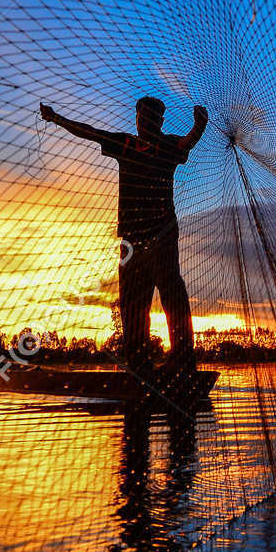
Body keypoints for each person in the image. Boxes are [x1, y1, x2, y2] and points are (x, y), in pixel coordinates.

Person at [40, 97, 207, 389]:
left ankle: (182, 361)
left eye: (150, 119)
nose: (143, 123)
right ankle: (138, 366)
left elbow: (186, 144)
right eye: (140, 117)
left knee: (171, 294)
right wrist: (57, 119)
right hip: (130, 242)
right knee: (133, 302)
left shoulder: (166, 146)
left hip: (162, 236)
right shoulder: (126, 143)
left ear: (160, 122)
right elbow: (89, 132)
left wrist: (199, 126)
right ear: (137, 119)